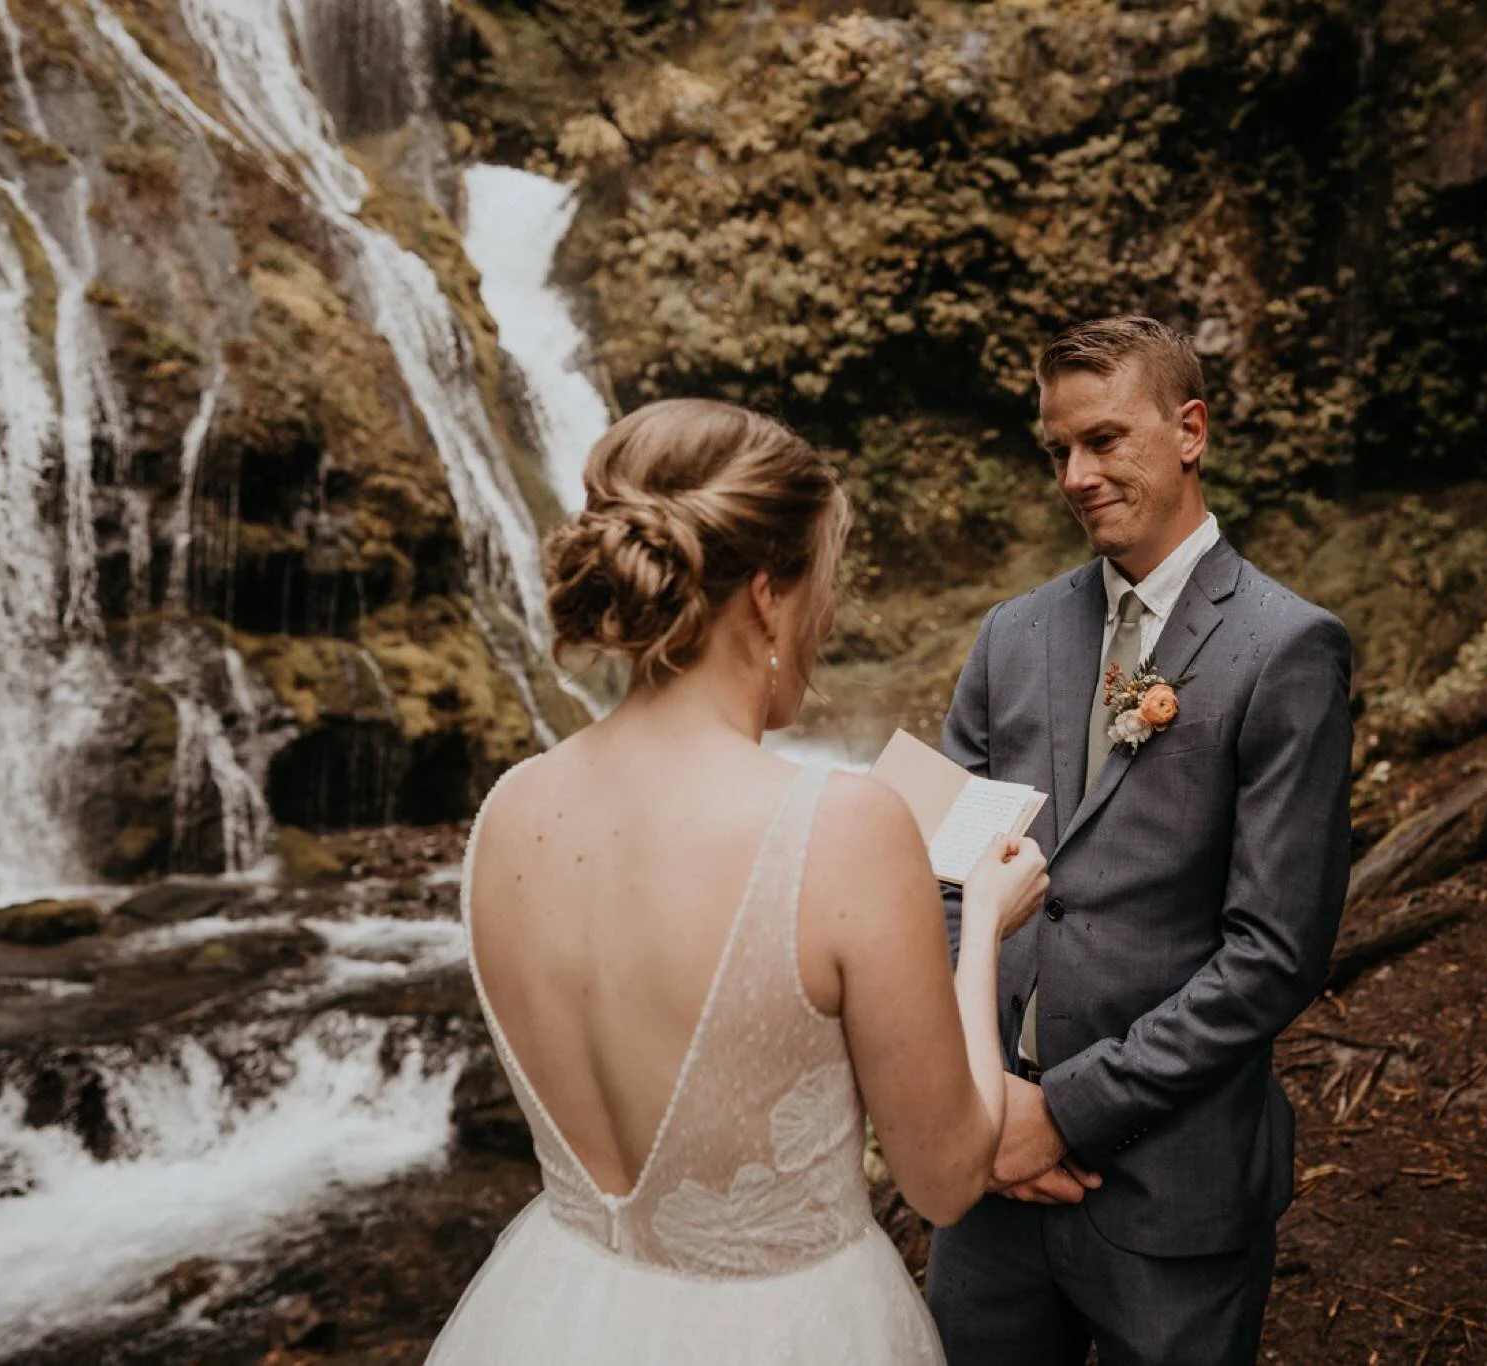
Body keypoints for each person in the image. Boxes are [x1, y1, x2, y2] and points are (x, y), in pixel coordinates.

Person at [428, 398, 1049, 1365]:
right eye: (822, 586)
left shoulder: (509, 809)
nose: (827, 619)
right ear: (766, 595)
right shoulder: (844, 827)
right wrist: (985, 923)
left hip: (557, 1311)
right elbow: (945, 1176)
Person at [924, 317, 1355, 1364]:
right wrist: (987, 1103)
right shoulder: (1011, 635)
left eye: (1104, 439)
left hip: (1174, 1189)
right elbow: (946, 877)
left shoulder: (1286, 647)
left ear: (1189, 430)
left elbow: (1273, 954)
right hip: (989, 1188)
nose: (1076, 476)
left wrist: (1062, 1114)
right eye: (1058, 450)